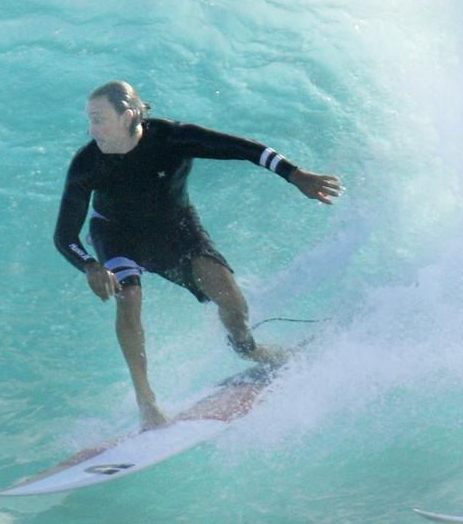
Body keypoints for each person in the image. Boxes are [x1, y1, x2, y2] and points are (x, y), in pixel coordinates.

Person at [54, 80, 342, 430]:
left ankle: (249, 349)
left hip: (175, 229)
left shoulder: (172, 138)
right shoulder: (88, 164)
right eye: (90, 119)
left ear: (127, 115)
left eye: (98, 119)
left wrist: (294, 174)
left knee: (231, 300)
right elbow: (64, 234)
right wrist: (89, 265)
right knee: (128, 298)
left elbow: (244, 149)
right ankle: (148, 406)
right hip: (117, 234)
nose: (91, 128)